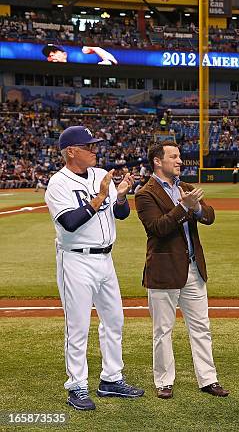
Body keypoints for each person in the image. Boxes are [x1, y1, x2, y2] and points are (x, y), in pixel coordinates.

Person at [44, 126, 144, 411]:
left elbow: (121, 214)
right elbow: (69, 223)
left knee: (114, 321)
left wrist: (122, 195)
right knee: (77, 327)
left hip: (105, 260)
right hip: (75, 260)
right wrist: (99, 198)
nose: (94, 150)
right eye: (88, 146)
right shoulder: (58, 183)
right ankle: (77, 386)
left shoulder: (102, 176)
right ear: (71, 152)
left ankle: (111, 379)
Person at [135, 140, 229, 400]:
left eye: (179, 156)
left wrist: (196, 207)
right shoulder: (145, 193)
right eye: (174, 157)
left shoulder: (186, 188)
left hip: (193, 268)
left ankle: (208, 379)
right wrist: (185, 207)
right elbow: (158, 228)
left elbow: (209, 216)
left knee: (201, 327)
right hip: (164, 270)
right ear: (158, 161)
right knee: (162, 330)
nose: (180, 161)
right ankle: (164, 381)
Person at [42, 44, 118, 65]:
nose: (51, 54)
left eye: (54, 51)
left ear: (64, 55)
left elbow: (112, 62)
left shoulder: (77, 69)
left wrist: (96, 48)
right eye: (48, 55)